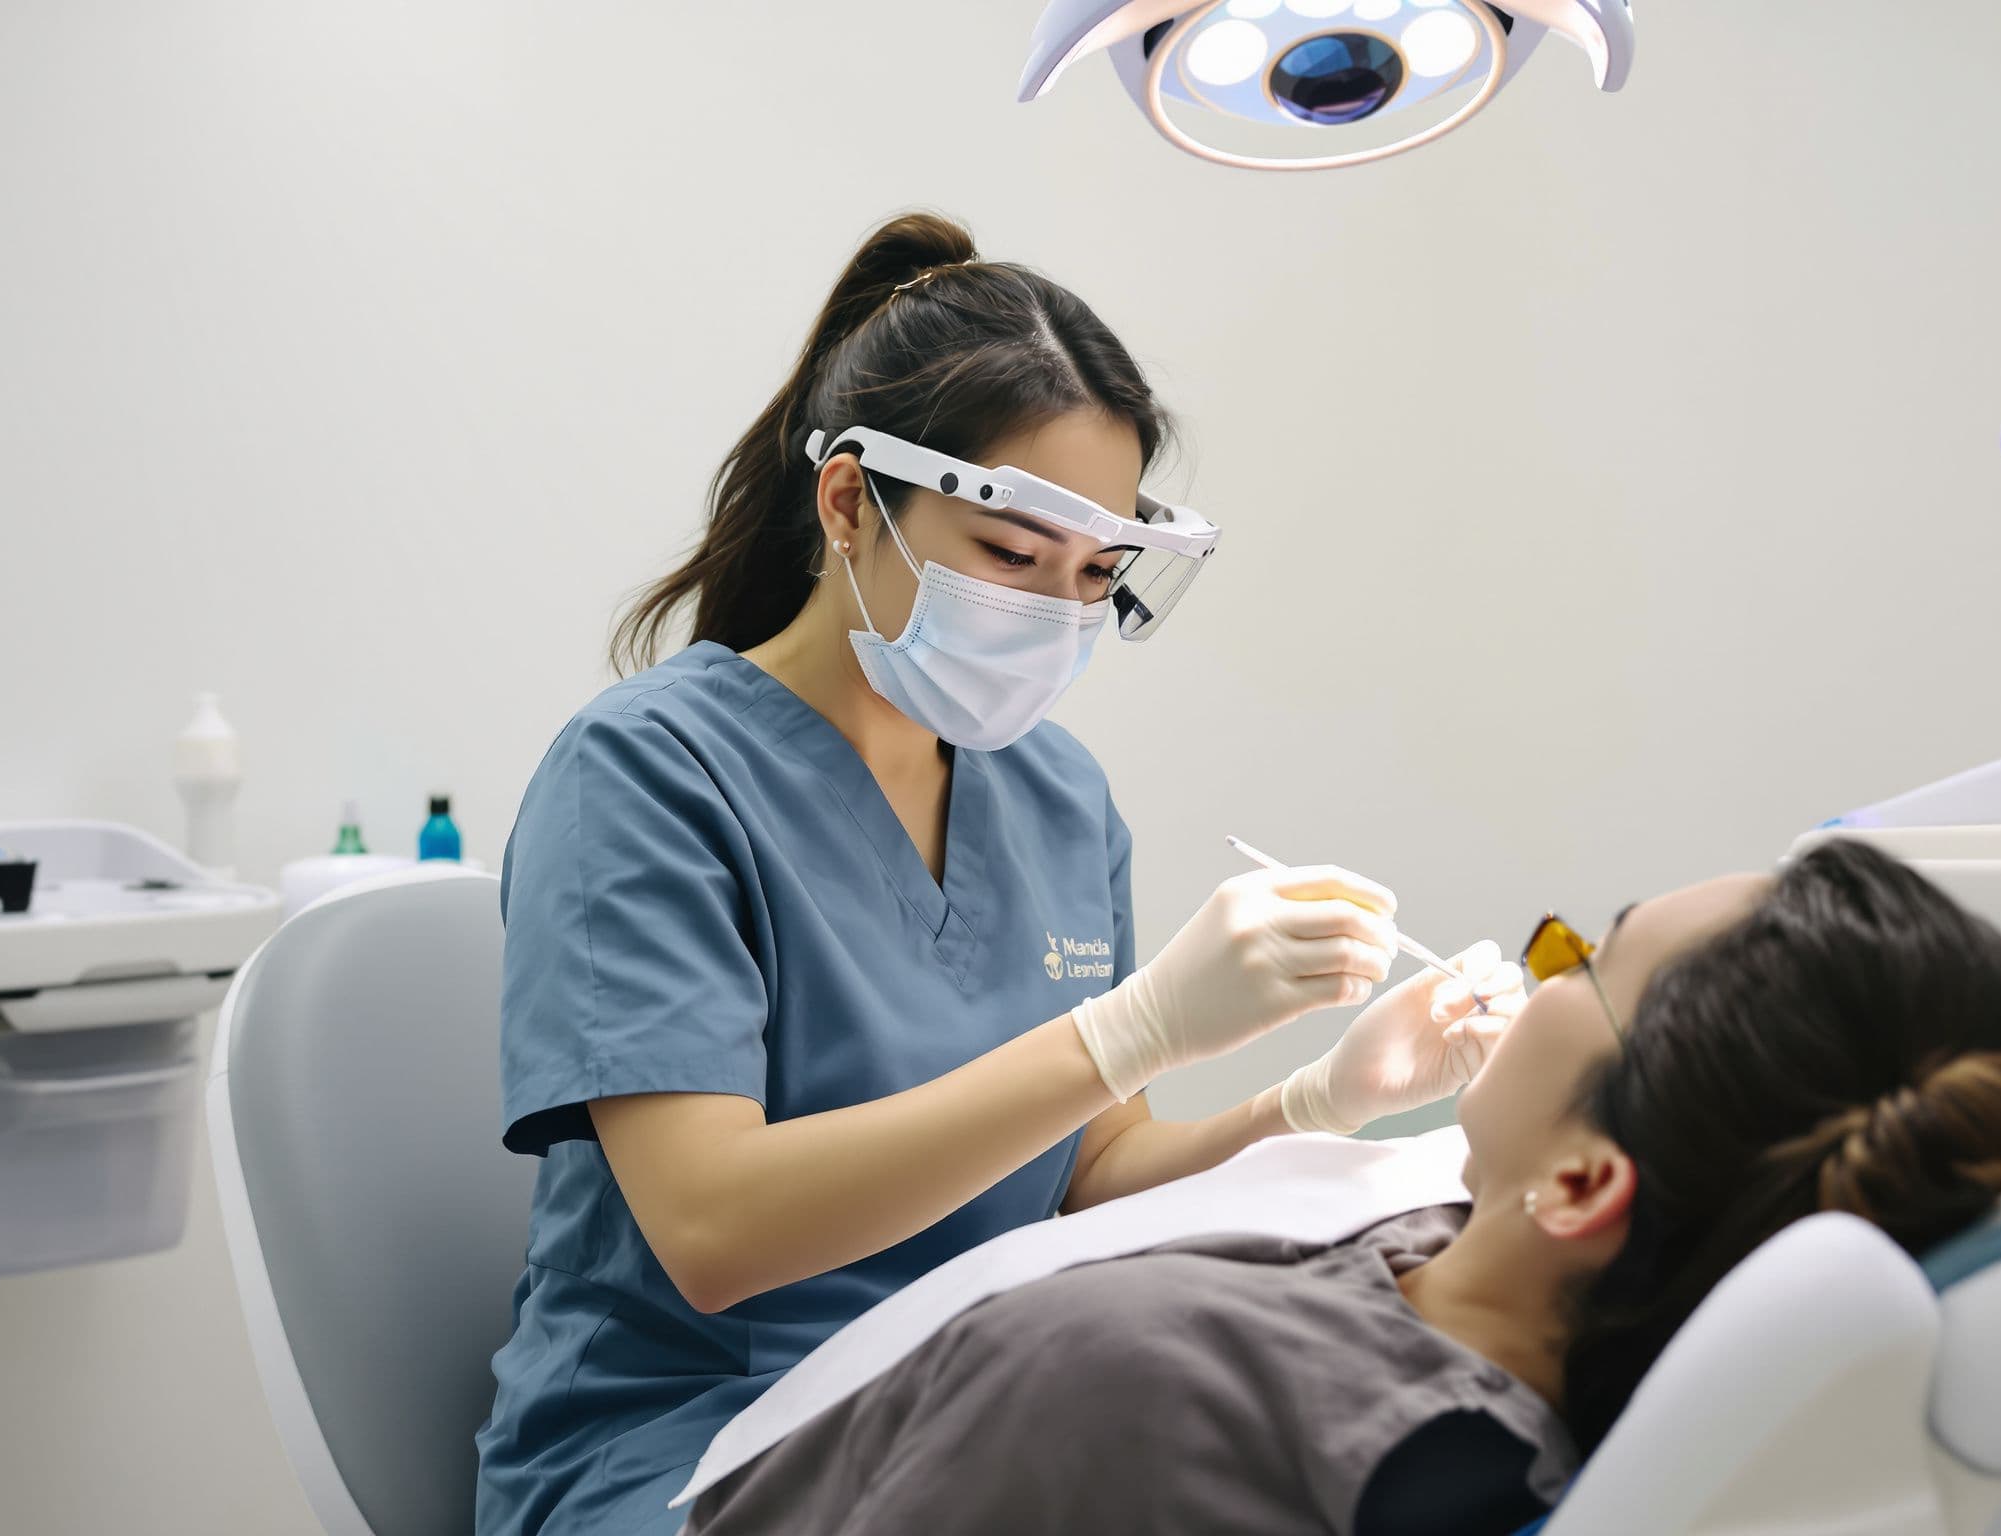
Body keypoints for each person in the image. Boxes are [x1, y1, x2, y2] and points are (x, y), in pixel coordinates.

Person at [475, 211, 1521, 1536]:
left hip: (965, 1401)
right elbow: (715, 1228)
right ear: (850, 503)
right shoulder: (646, 772)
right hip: (693, 1452)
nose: (1055, 614)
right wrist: (1127, 1030)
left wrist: (1316, 1103)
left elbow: (1086, 1174)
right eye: (1014, 556)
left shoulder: (1057, 797)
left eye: (1096, 576)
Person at [677, 840, 2001, 1536]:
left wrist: (1135, 1038)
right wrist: (1312, 1107)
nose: (1547, 958)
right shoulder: (1507, 1272)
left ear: (1584, 1183)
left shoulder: (1141, 1387)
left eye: (1586, 958)